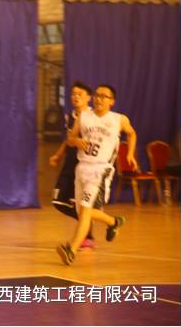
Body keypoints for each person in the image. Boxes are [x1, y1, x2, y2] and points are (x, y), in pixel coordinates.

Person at [56, 84, 138, 265]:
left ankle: (71, 250)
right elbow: (70, 139)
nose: (99, 98)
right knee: (82, 212)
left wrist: (130, 154)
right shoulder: (84, 116)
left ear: (112, 101)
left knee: (86, 210)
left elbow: (132, 134)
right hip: (82, 168)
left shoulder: (118, 119)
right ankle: (113, 222)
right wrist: (76, 141)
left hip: (100, 170)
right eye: (97, 95)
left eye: (104, 96)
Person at [48, 81, 96, 249]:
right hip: (69, 164)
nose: (75, 97)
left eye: (79, 94)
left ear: (89, 97)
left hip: (84, 165)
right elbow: (68, 139)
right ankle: (87, 222)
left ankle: (87, 236)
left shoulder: (93, 117)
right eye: (73, 94)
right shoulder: (70, 117)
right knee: (58, 201)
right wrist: (58, 155)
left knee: (81, 203)